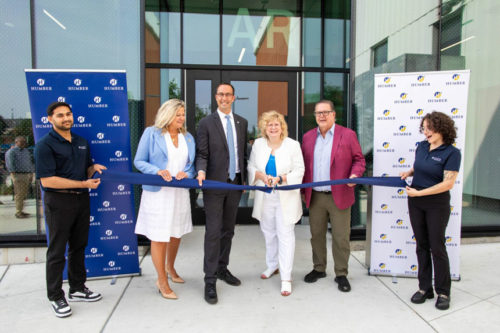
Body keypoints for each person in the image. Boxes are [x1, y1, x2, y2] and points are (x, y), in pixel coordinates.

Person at [35, 101, 106, 318]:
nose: (66, 118)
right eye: (60, 115)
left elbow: (83, 169)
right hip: (59, 203)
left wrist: (92, 168)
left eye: (68, 114)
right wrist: (84, 184)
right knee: (57, 251)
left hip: (81, 201)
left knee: (78, 246)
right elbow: (48, 181)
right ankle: (56, 296)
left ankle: (77, 288)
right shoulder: (45, 145)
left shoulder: (81, 141)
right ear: (50, 119)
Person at [301, 100, 365, 292]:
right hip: (316, 196)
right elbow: (303, 165)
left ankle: (341, 274)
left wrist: (355, 175)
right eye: (318, 113)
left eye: (326, 112)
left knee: (340, 237)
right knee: (317, 235)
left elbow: (359, 160)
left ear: (334, 114)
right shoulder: (308, 137)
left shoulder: (347, 135)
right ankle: (319, 268)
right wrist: (304, 191)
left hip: (340, 194)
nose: (322, 116)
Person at [134, 99, 195, 300]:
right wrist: (157, 171)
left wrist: (186, 173)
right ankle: (161, 280)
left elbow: (190, 166)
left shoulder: (188, 137)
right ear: (167, 114)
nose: (182, 118)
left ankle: (170, 268)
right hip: (158, 193)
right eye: (178, 114)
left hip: (179, 192)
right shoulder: (151, 133)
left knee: (176, 233)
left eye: (183, 114)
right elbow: (139, 161)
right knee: (159, 236)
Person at [400, 111, 461, 311]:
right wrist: (409, 172)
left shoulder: (452, 152)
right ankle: (425, 288)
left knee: (437, 247)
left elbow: (448, 183)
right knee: (421, 245)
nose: (426, 132)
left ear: (441, 128)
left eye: (429, 128)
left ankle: (443, 291)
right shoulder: (422, 146)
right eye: (424, 128)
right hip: (416, 203)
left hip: (436, 204)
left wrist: (421, 193)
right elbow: (421, 167)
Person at [196, 82, 248, 304]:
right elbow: (202, 153)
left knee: (228, 230)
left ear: (234, 98)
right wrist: (200, 170)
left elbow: (243, 154)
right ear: (216, 97)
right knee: (213, 232)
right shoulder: (206, 123)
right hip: (215, 186)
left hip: (235, 184)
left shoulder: (242, 123)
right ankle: (209, 280)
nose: (224, 98)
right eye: (220, 94)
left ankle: (222, 269)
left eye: (228, 95)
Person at [248, 111, 304, 296]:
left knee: (285, 235)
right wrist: (261, 176)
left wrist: (281, 178)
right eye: (269, 125)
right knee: (268, 232)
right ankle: (272, 266)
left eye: (276, 124)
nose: (273, 127)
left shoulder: (293, 145)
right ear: (264, 128)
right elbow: (251, 166)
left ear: (282, 127)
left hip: (285, 197)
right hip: (265, 196)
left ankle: (286, 278)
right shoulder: (258, 144)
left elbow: (300, 170)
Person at [6, 136, 35, 218]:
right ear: (16, 142)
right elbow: (9, 163)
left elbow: (29, 162)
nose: (23, 143)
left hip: (26, 174)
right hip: (18, 174)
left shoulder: (26, 151)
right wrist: (13, 173)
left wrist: (31, 173)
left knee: (24, 193)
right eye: (21, 142)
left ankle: (21, 210)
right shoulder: (12, 151)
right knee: (19, 193)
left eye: (24, 142)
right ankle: (18, 212)